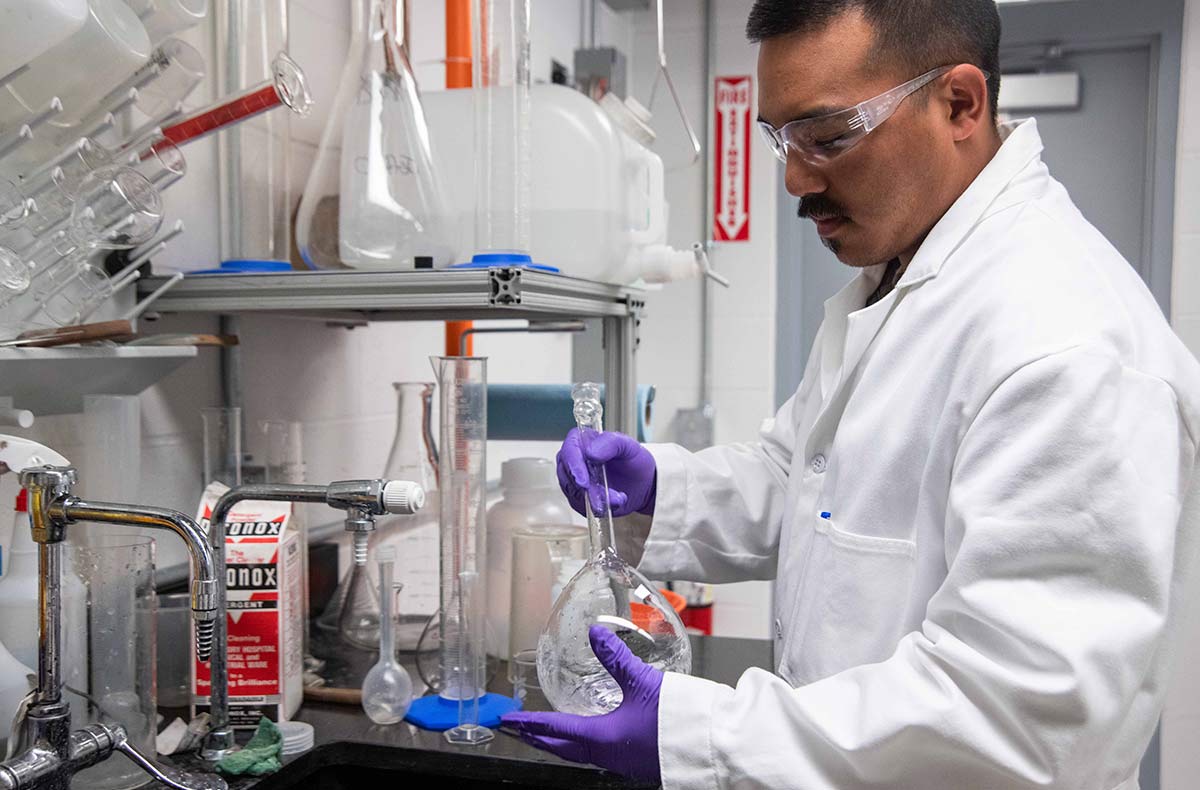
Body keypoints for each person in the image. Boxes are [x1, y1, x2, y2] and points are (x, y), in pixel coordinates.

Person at [502, 1, 1200, 787]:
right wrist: (665, 490)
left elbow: (1015, 719)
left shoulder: (1067, 346)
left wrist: (702, 737)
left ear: (961, 104)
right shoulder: (902, 278)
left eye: (829, 136)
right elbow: (809, 477)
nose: (796, 178)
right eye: (781, 139)